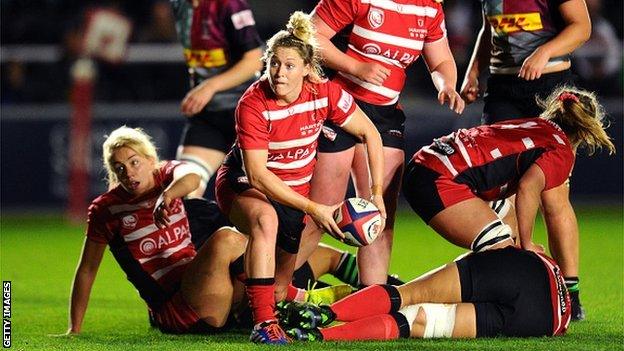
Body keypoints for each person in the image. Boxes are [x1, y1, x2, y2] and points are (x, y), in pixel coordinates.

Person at [214, 11, 386, 344]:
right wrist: (315, 207)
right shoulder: (253, 103)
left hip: (290, 195)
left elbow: (370, 134)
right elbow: (258, 176)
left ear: (307, 69)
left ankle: (250, 280)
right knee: (265, 219)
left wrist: (377, 192)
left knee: (277, 289)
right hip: (244, 184)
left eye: (289, 65)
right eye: (274, 64)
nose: (279, 73)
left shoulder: (325, 93)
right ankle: (264, 325)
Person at [401, 86, 615, 320]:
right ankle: (409, 298)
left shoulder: (535, 125)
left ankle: (416, 295)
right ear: (585, 132)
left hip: (427, 164)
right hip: (441, 179)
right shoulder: (561, 149)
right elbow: (527, 189)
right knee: (506, 259)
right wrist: (527, 243)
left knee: (508, 220)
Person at [294, 0, 465, 289]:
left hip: (385, 115)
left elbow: (441, 61)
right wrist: (355, 67)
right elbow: (309, 35)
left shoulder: (428, 8)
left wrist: (446, 85)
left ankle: (371, 302)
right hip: (338, 108)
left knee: (379, 216)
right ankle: (265, 294)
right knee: (320, 213)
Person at [63, 126, 247, 335]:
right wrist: (74, 329)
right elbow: (87, 270)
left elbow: (191, 177)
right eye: (119, 168)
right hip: (178, 310)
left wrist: (167, 195)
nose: (129, 173)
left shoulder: (165, 176)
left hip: (204, 287)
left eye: (134, 162)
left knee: (258, 230)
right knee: (226, 239)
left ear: (150, 160)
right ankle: (281, 300)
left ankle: (267, 310)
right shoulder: (106, 209)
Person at [281, 245, 571, 341]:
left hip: (520, 270)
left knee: (410, 294)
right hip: (545, 318)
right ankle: (319, 335)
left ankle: (326, 313)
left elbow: (495, 246)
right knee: (420, 321)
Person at [171, 0, 263, 198]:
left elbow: (254, 59)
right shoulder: (179, 5)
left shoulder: (230, 4)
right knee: (183, 187)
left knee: (258, 199)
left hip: (246, 113)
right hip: (209, 114)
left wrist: (210, 86)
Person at [460, 0, 591, 124]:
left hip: (550, 86)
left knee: (553, 147)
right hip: (502, 89)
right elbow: (490, 30)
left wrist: (545, 52)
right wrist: (472, 73)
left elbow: (582, 27)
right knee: (495, 146)